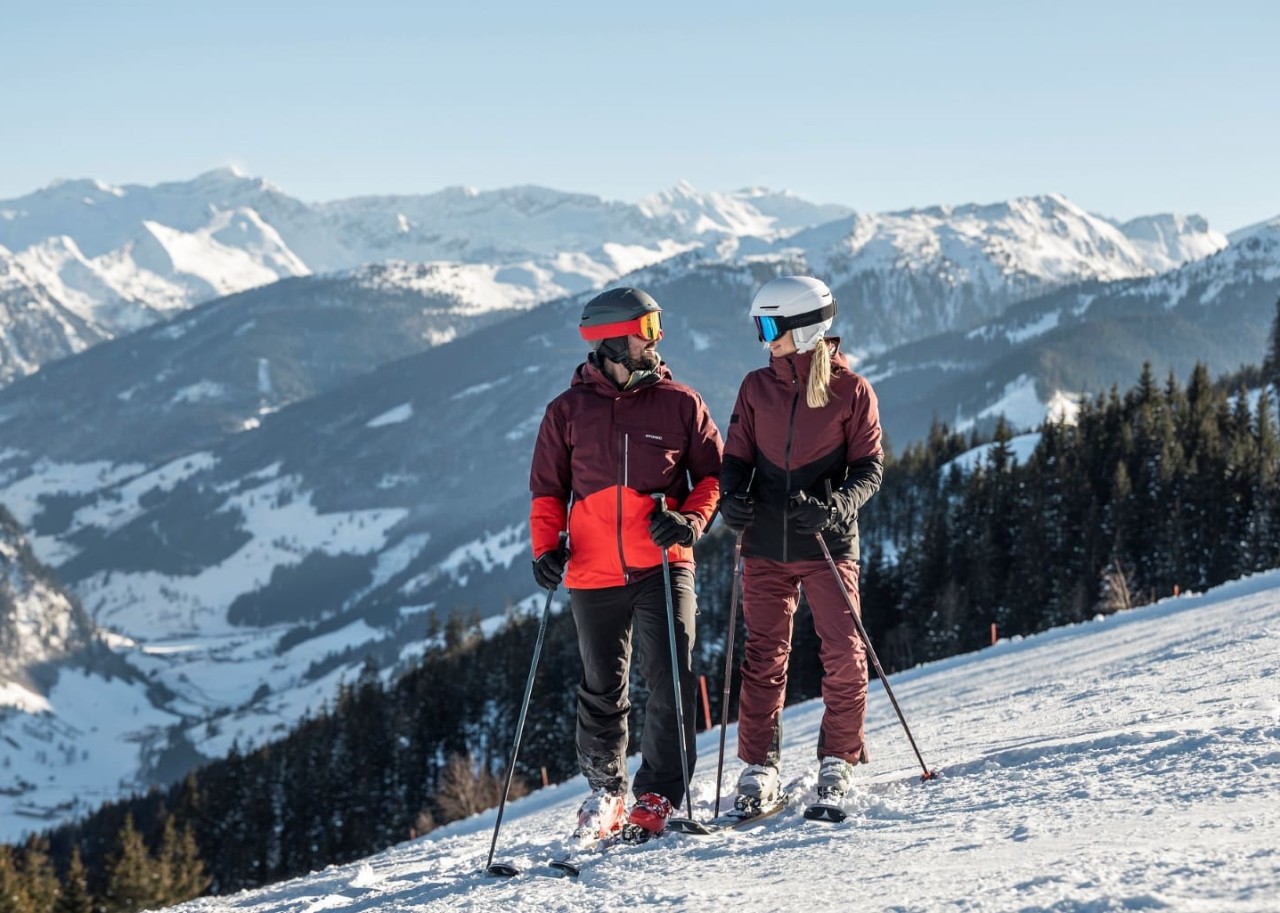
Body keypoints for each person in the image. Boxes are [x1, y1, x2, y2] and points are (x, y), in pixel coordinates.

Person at [528, 287, 722, 842]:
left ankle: (658, 791)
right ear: (611, 339)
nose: (656, 339)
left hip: (663, 562)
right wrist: (546, 550)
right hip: (592, 572)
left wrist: (689, 521)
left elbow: (713, 476)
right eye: (647, 329)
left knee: (671, 677)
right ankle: (606, 792)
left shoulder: (681, 403)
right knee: (601, 687)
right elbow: (547, 491)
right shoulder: (566, 412)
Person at [718, 275, 884, 812]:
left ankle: (838, 759)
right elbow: (736, 458)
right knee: (763, 657)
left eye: (771, 328)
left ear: (806, 327)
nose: (763, 339)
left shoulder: (851, 391)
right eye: (759, 327)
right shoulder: (755, 388)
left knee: (844, 652)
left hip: (826, 542)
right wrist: (731, 498)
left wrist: (833, 508)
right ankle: (759, 766)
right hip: (765, 540)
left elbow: (869, 469)